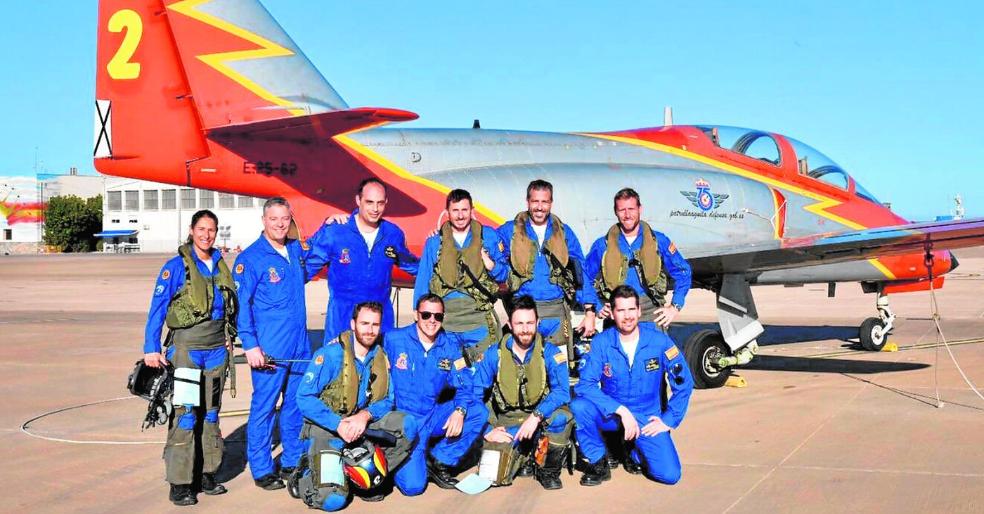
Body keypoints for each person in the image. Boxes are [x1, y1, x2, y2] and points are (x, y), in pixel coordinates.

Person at [143, 209, 238, 506]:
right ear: (192, 230)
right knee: (185, 415)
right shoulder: (175, 267)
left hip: (215, 352)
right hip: (186, 351)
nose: (207, 235)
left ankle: (207, 472)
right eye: (202, 229)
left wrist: (236, 337)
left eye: (212, 230)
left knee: (211, 414)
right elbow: (157, 308)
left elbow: (232, 308)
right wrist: (151, 347)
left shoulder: (221, 268)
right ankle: (181, 481)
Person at [294, 302, 418, 511]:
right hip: (329, 428)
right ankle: (306, 475)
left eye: (375, 325)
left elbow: (388, 399)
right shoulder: (330, 355)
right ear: (353, 324)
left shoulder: (380, 357)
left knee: (408, 425)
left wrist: (365, 415)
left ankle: (362, 480)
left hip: (361, 426)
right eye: (364, 323)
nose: (369, 330)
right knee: (333, 500)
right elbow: (304, 397)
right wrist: (338, 424)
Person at [571, 285, 694, 486]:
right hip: (613, 413)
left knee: (670, 475)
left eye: (631, 310)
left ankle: (634, 451)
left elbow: (683, 383)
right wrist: (620, 410)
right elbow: (585, 385)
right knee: (579, 407)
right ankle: (598, 461)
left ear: (638, 311)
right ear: (612, 312)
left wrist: (668, 420)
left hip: (646, 416)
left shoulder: (659, 342)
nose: (627, 316)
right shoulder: (602, 342)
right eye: (620, 310)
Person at [234, 197, 312, 491]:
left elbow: (315, 256)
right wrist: (250, 345)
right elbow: (241, 305)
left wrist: (333, 224)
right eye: (274, 219)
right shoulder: (251, 259)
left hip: (299, 348)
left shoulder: (294, 251)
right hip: (269, 349)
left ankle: (292, 460)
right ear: (263, 221)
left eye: (284, 219)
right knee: (264, 409)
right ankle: (263, 468)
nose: (280, 224)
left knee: (293, 407)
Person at [383, 294, 488, 493]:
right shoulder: (394, 339)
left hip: (431, 416)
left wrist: (459, 410)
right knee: (413, 487)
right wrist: (340, 341)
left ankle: (439, 459)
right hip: (403, 422)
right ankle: (403, 458)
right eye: (426, 314)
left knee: (477, 411)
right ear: (416, 315)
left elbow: (465, 382)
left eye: (438, 316)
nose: (432, 320)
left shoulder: (450, 346)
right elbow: (363, 348)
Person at [472, 295, 573, 490]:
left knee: (562, 417)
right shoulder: (494, 354)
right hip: (506, 424)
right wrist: (487, 431)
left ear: (538, 323)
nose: (525, 329)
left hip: (538, 421)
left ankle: (547, 469)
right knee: (492, 477)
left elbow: (562, 392)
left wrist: (536, 416)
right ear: (509, 324)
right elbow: (475, 395)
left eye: (529, 323)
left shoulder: (550, 352)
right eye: (519, 323)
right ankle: (523, 456)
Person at [497, 179, 600, 364]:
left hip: (556, 315)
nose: (539, 207)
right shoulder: (509, 231)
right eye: (535, 201)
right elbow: (484, 244)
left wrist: (590, 311)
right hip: (524, 314)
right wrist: (441, 237)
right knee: (525, 373)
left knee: (558, 374)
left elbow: (580, 271)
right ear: (527, 202)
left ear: (551, 203)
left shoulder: (564, 232)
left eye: (544, 202)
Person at [306, 178, 419, 342]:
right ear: (358, 200)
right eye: (369, 202)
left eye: (380, 203)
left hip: (380, 327)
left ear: (386, 202)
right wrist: (322, 229)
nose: (375, 209)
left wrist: (436, 249)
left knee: (379, 367)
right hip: (341, 327)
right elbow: (303, 268)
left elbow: (415, 266)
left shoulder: (393, 234)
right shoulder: (335, 232)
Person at [414, 189, 509, 363]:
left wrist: (490, 264)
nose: (460, 216)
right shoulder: (435, 242)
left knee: (486, 371)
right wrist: (418, 314)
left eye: (464, 210)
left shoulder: (488, 237)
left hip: (478, 318)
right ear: (447, 212)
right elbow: (423, 280)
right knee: (446, 372)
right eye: (455, 210)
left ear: (472, 211)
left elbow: (505, 275)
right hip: (446, 321)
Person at [585, 187, 691, 329]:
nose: (627, 215)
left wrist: (674, 307)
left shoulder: (658, 241)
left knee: (655, 351)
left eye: (631, 209)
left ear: (640, 209)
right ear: (616, 212)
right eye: (622, 210)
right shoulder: (602, 245)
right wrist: (596, 306)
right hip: (617, 314)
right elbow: (584, 277)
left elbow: (683, 272)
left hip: (651, 312)